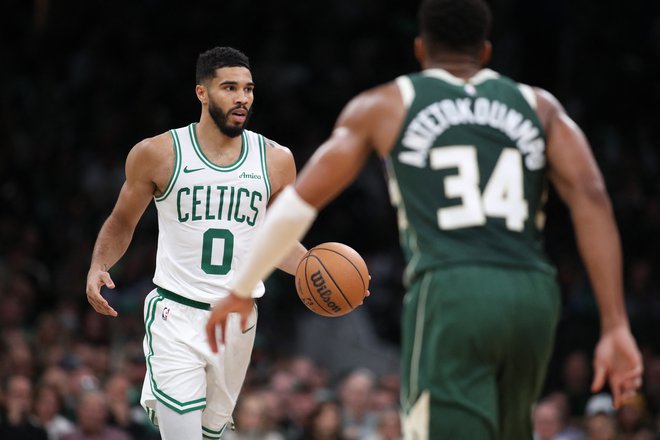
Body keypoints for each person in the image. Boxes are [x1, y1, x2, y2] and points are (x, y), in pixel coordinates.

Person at [206, 1, 645, 438]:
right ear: (486, 52)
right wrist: (616, 324)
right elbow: (592, 197)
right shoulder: (541, 106)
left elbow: (300, 202)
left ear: (420, 49)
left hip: (452, 287)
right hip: (532, 290)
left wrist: (244, 287)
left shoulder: (388, 104)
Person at [85, 46, 306, 439]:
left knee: (211, 435)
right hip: (176, 314)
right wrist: (99, 265)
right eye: (230, 88)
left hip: (238, 320)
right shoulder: (158, 154)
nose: (243, 98)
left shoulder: (276, 160)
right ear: (202, 93)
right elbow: (122, 221)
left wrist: (315, 273)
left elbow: (279, 242)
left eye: (249, 89)